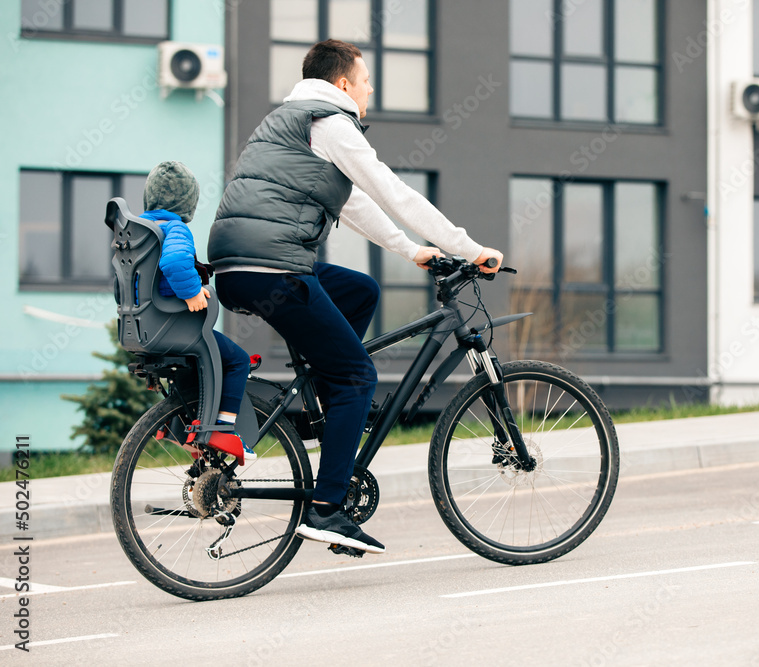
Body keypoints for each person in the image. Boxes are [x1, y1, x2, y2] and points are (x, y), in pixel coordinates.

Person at [208, 39, 503, 554]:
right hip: (275, 268)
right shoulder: (331, 123)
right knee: (357, 376)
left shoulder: (289, 120)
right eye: (366, 81)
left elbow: (359, 202)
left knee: (359, 291)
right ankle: (327, 510)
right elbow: (394, 192)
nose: (370, 91)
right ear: (343, 83)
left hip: (239, 266)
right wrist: (468, 248)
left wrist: (410, 250)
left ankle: (329, 407)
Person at [140, 161, 255, 463]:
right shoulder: (174, 228)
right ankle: (225, 429)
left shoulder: (139, 231)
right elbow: (175, 262)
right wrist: (191, 291)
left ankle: (180, 428)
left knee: (193, 366)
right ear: (186, 202)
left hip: (146, 326)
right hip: (175, 324)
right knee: (236, 361)